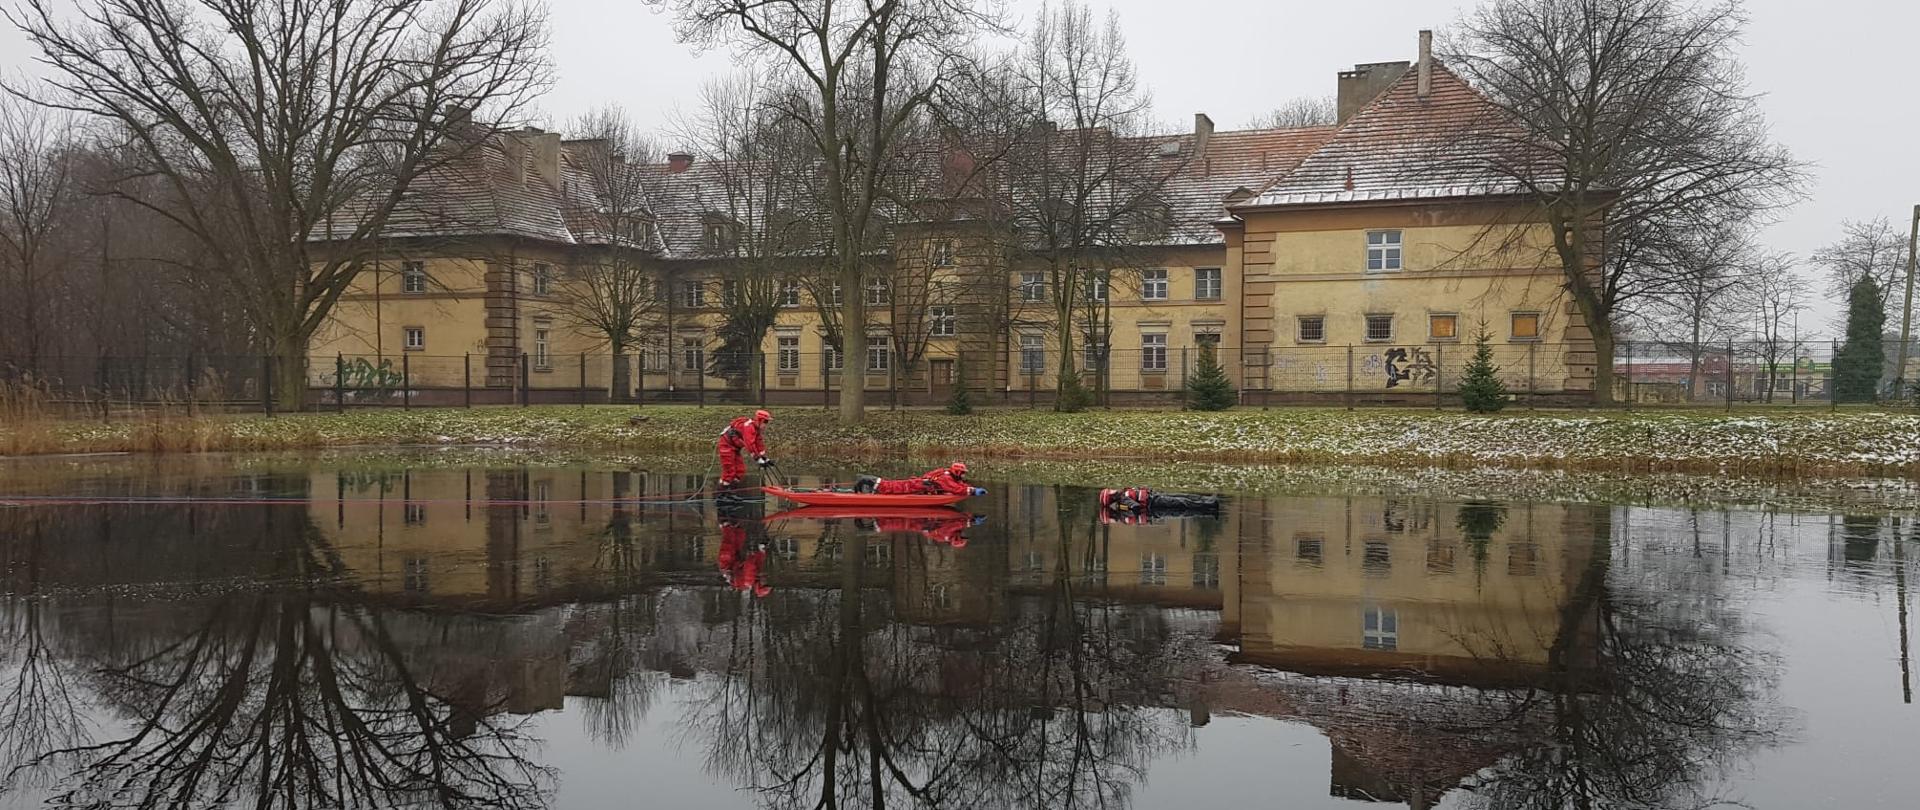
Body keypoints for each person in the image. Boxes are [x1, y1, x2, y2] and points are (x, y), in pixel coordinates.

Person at [853, 462, 984, 496]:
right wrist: (972, 491)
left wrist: (969, 488)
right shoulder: (946, 478)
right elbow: (955, 489)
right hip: (918, 486)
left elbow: (958, 485)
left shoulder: (945, 473)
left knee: (894, 485)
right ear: (957, 471)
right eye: (962, 473)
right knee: (892, 487)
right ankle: (868, 480)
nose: (963, 475)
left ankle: (869, 481)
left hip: (919, 483)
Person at [716, 409, 772, 488]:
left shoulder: (756, 429)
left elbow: (759, 443)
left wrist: (765, 458)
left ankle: (731, 492)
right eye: (765, 422)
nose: (766, 424)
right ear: (759, 420)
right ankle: (722, 493)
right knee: (729, 471)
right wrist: (758, 459)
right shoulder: (748, 427)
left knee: (740, 470)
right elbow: (750, 444)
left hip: (735, 448)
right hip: (726, 445)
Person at [717, 519, 771, 597]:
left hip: (727, 565)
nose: (766, 581)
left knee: (729, 545)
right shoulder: (755, 577)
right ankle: (736, 527)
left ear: (759, 585)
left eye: (765, 584)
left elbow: (750, 563)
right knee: (739, 540)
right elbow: (759, 561)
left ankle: (726, 525)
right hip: (736, 563)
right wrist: (762, 550)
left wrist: (757, 549)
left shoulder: (749, 580)